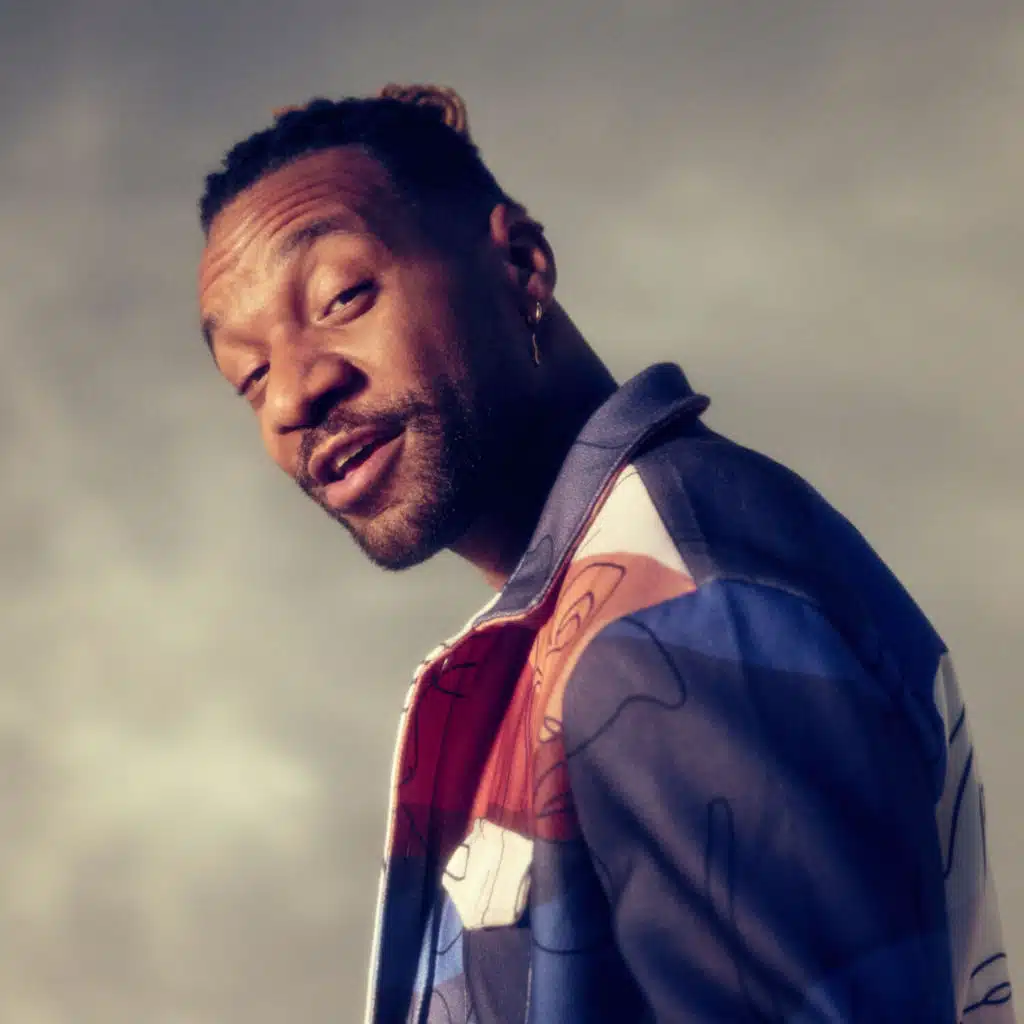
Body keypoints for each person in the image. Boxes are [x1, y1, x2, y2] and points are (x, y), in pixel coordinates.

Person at [196, 84, 1014, 1023]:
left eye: (343, 297)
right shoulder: (594, 609)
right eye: (248, 374)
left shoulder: (669, 610)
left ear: (522, 266)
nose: (291, 396)